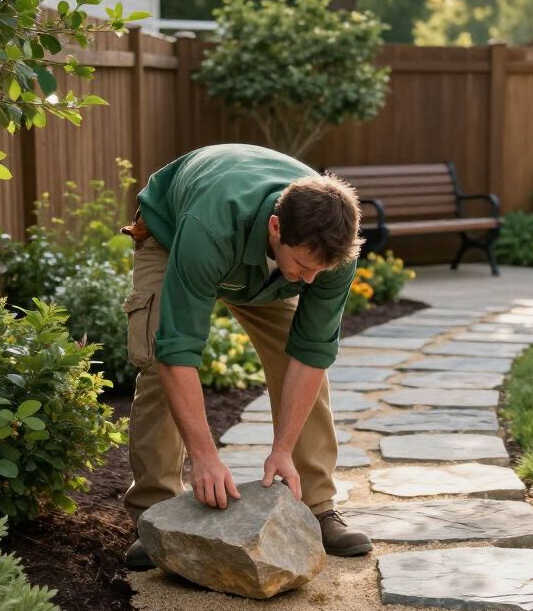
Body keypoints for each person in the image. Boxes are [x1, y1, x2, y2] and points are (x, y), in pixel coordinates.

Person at [120, 142, 373, 571]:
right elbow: (177, 351)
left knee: (300, 363)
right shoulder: (208, 230)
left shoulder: (329, 255)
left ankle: (315, 504)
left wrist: (282, 449)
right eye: (303, 266)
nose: (310, 280)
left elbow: (311, 354)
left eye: (320, 271)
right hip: (173, 235)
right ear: (275, 227)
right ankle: (154, 514)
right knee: (158, 365)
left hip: (262, 262)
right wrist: (205, 456)